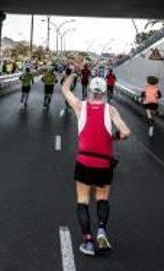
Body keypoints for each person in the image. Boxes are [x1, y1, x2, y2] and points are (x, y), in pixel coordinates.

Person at [62, 72, 131, 257]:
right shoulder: (110, 110)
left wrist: (73, 72)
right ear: (105, 92)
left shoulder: (80, 106)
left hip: (84, 160)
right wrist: (114, 137)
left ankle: (88, 241)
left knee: (82, 200)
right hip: (104, 163)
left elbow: (65, 89)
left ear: (90, 91)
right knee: (102, 198)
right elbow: (126, 132)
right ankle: (101, 231)